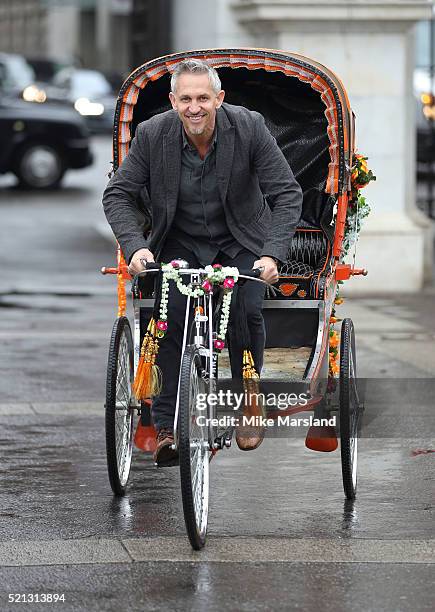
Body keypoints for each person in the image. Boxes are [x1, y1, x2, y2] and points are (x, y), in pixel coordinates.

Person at [103, 59, 303, 465]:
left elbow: (287, 194)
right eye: (187, 99)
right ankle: (164, 426)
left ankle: (249, 398)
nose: (195, 107)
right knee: (168, 314)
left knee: (246, 309)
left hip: (242, 237)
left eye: (203, 98)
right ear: (174, 101)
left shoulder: (249, 127)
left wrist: (271, 253)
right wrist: (136, 245)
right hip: (180, 240)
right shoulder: (152, 133)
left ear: (219, 99)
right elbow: (117, 194)